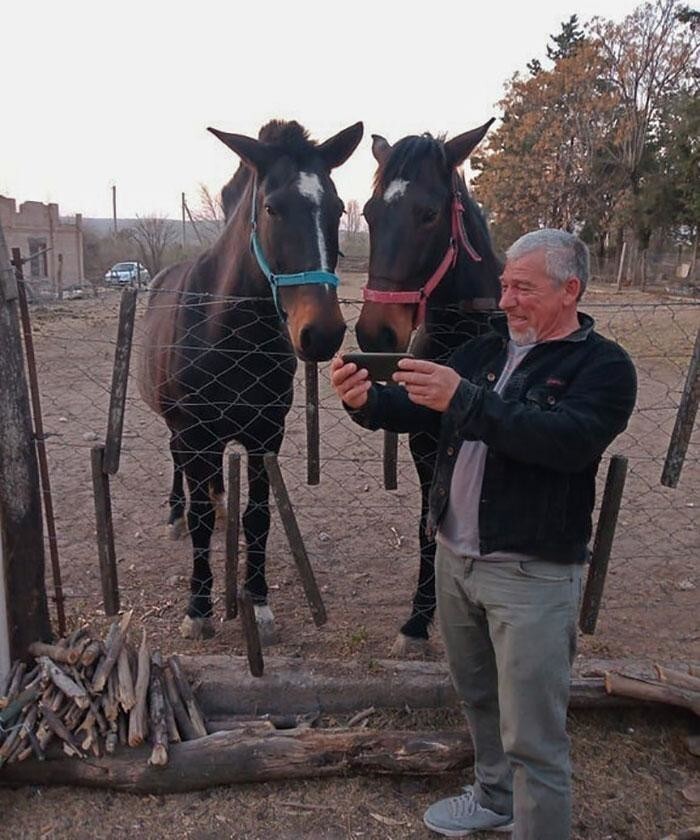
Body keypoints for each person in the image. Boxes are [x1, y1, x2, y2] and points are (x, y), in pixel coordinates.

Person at [331, 229, 637, 840]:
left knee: (534, 735)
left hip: (532, 574)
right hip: (455, 561)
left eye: (523, 288)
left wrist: (464, 399)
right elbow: (416, 409)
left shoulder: (603, 367)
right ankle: (496, 800)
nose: (506, 301)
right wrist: (363, 402)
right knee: (479, 698)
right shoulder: (484, 352)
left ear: (570, 289)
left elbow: (564, 443)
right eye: (504, 286)